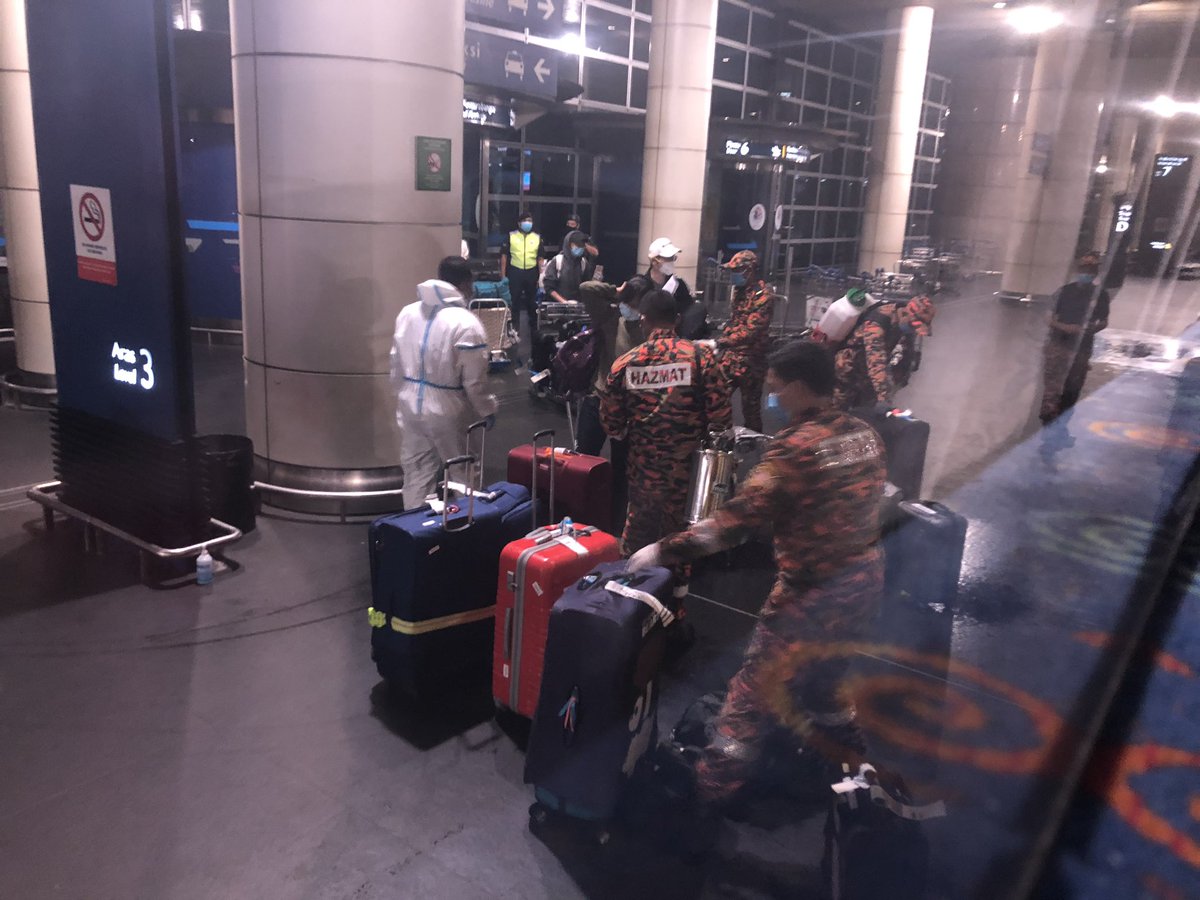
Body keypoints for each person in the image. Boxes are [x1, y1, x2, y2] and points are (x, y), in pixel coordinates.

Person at [628, 340, 886, 807]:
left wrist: (661, 551)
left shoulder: (793, 449)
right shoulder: (865, 434)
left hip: (810, 597)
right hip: (864, 584)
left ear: (801, 387)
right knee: (829, 684)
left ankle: (707, 793)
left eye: (775, 389)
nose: (770, 397)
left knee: (750, 697)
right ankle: (858, 778)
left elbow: (733, 526)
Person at [601, 290, 732, 598]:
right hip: (686, 470)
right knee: (680, 534)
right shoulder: (701, 358)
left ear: (643, 321)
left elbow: (611, 423)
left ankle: (627, 596)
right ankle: (676, 598)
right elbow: (721, 415)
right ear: (676, 320)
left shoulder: (627, 363)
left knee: (637, 529)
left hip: (644, 468)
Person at [390, 256, 498, 510]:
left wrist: (404, 394)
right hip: (450, 408)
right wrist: (487, 409)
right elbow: (474, 383)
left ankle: (416, 533)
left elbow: (395, 364)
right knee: (463, 473)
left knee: (417, 473)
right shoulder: (466, 323)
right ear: (467, 283)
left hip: (410, 404)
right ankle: (465, 534)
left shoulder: (408, 313)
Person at [1039, 251, 1110, 424]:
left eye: (1090, 271)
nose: (1086, 274)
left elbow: (1104, 321)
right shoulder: (1063, 292)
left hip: (1082, 348)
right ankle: (1048, 417)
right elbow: (1047, 316)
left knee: (1074, 385)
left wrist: (1088, 329)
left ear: (1094, 274)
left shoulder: (1101, 295)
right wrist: (1064, 327)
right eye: (1083, 270)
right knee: (1052, 384)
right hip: (1058, 344)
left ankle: (1064, 414)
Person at [832, 295, 935, 411]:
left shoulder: (904, 323)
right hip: (847, 370)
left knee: (865, 414)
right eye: (914, 325)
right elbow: (876, 361)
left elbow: (906, 357)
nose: (913, 330)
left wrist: (898, 383)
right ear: (906, 313)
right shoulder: (877, 322)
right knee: (838, 412)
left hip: (866, 374)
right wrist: (884, 398)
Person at [715, 251, 776, 432]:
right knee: (717, 400)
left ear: (749, 270)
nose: (733, 275)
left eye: (737, 270)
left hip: (752, 361)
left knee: (751, 410)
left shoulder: (763, 296)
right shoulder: (739, 291)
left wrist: (722, 342)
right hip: (731, 358)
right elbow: (736, 321)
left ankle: (753, 448)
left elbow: (751, 331)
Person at [646, 236, 707, 340]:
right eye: (668, 258)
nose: (671, 262)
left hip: (675, 340)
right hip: (648, 340)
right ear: (654, 261)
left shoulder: (679, 285)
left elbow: (689, 310)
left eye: (673, 258)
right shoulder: (643, 285)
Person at [499, 211, 542, 341]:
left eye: (530, 221)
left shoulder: (537, 237)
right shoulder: (511, 236)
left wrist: (541, 276)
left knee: (532, 303)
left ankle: (534, 330)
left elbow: (540, 258)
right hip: (515, 272)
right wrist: (503, 275)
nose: (527, 223)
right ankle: (514, 329)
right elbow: (504, 256)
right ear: (519, 223)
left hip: (531, 272)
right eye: (525, 221)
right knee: (514, 302)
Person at [542, 231, 597, 304]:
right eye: (577, 246)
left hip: (577, 307)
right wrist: (564, 302)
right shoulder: (557, 261)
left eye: (582, 247)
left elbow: (586, 286)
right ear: (569, 245)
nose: (579, 249)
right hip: (557, 307)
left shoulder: (583, 263)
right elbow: (549, 287)